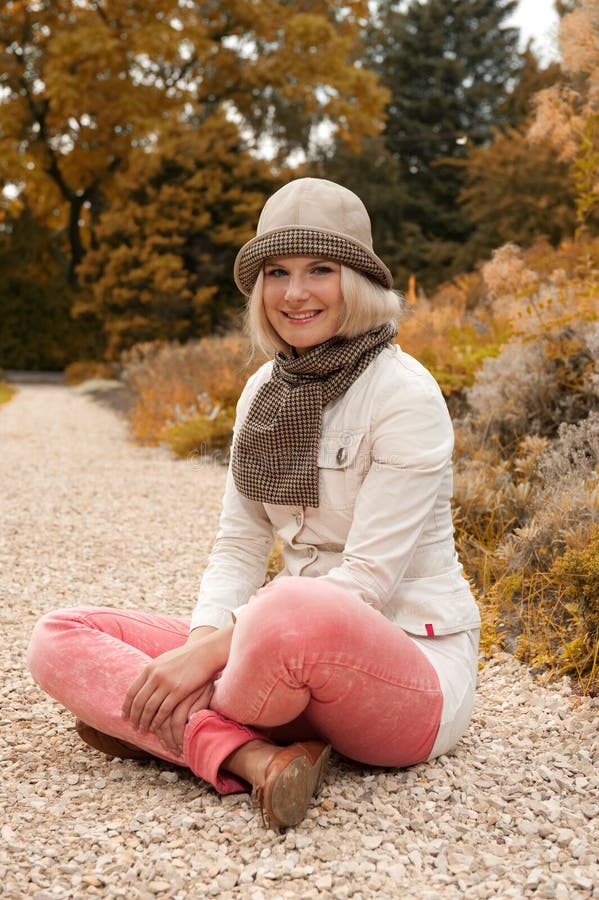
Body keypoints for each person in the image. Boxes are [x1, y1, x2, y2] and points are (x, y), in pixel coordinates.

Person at [27, 178, 481, 830]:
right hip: (274, 656)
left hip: (405, 673)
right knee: (58, 637)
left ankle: (165, 730)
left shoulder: (402, 394)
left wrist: (199, 661)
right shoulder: (261, 391)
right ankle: (254, 760)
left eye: (319, 269)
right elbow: (238, 545)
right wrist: (205, 638)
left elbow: (365, 584)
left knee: (293, 603)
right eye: (275, 272)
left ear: (355, 281)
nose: (293, 293)